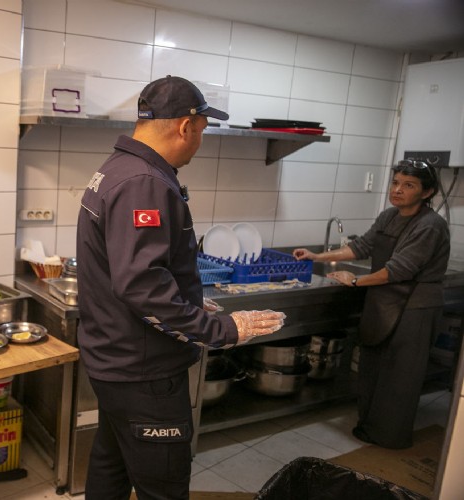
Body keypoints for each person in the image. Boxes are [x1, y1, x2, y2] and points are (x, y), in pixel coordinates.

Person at [76, 75, 287, 500]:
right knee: (164, 485)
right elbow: (141, 287)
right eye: (203, 131)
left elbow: (140, 270)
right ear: (186, 126)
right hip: (145, 373)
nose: (199, 141)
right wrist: (224, 330)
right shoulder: (145, 182)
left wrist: (191, 302)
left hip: (113, 361)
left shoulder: (117, 168)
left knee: (111, 465)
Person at [293, 159, 449, 449]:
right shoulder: (389, 216)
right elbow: (362, 247)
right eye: (396, 182)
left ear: (426, 193)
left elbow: (399, 269)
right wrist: (317, 257)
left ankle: (390, 437)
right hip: (386, 302)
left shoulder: (430, 226)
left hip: (415, 308)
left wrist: (354, 282)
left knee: (400, 375)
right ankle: (370, 427)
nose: (398, 190)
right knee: (374, 369)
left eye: (408, 185)